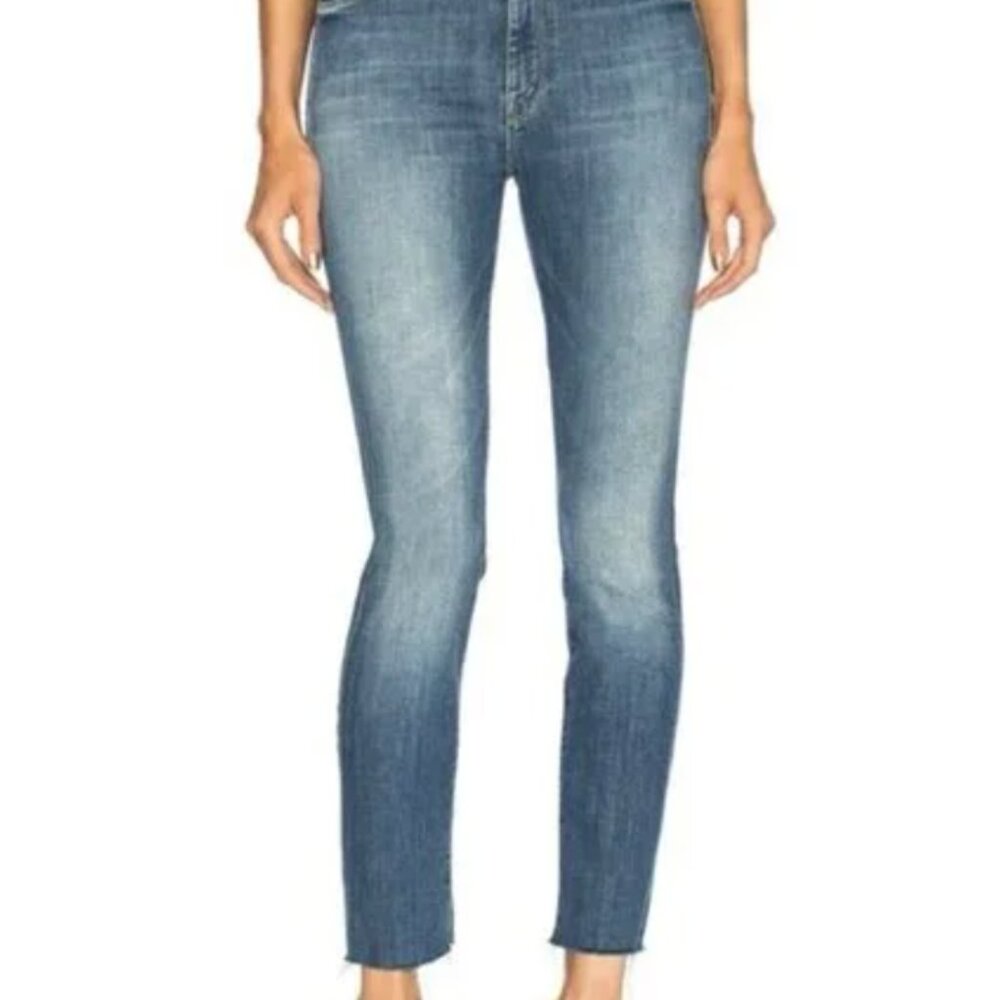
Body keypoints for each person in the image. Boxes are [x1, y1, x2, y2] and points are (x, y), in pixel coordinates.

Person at [247, 0, 773, 996]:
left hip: (627, 46)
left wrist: (736, 111)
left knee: (621, 559)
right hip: (391, 51)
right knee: (424, 552)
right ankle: (388, 978)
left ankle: (596, 979)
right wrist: (277, 120)